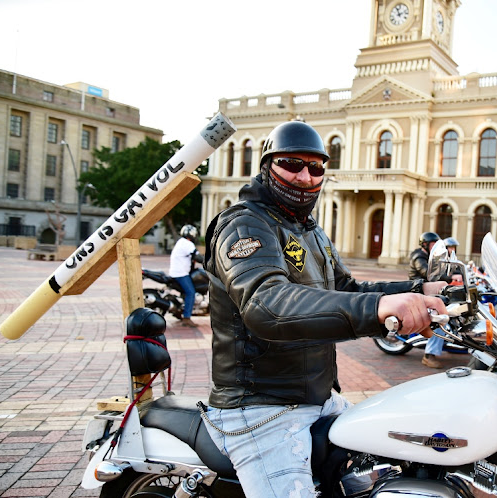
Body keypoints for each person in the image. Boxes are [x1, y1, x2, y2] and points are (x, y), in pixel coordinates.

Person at [200, 120, 447, 497]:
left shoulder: (310, 230)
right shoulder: (244, 225)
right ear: (267, 166)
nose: (304, 176)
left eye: (315, 168)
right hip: (260, 407)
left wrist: (419, 289)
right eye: (292, 164)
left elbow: (348, 289)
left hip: (318, 396)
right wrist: (380, 307)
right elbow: (268, 304)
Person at [408, 231, 446, 368]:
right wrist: (449, 277)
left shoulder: (429, 256)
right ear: (425, 244)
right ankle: (429, 355)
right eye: (433, 244)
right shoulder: (419, 257)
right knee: (440, 317)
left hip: (426, 291)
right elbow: (428, 273)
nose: (435, 247)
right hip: (418, 292)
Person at [168, 224, 202, 327]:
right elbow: (197, 256)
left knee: (188, 292)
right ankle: (187, 318)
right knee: (191, 293)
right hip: (180, 274)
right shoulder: (187, 244)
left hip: (177, 272)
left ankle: (182, 311)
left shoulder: (181, 242)